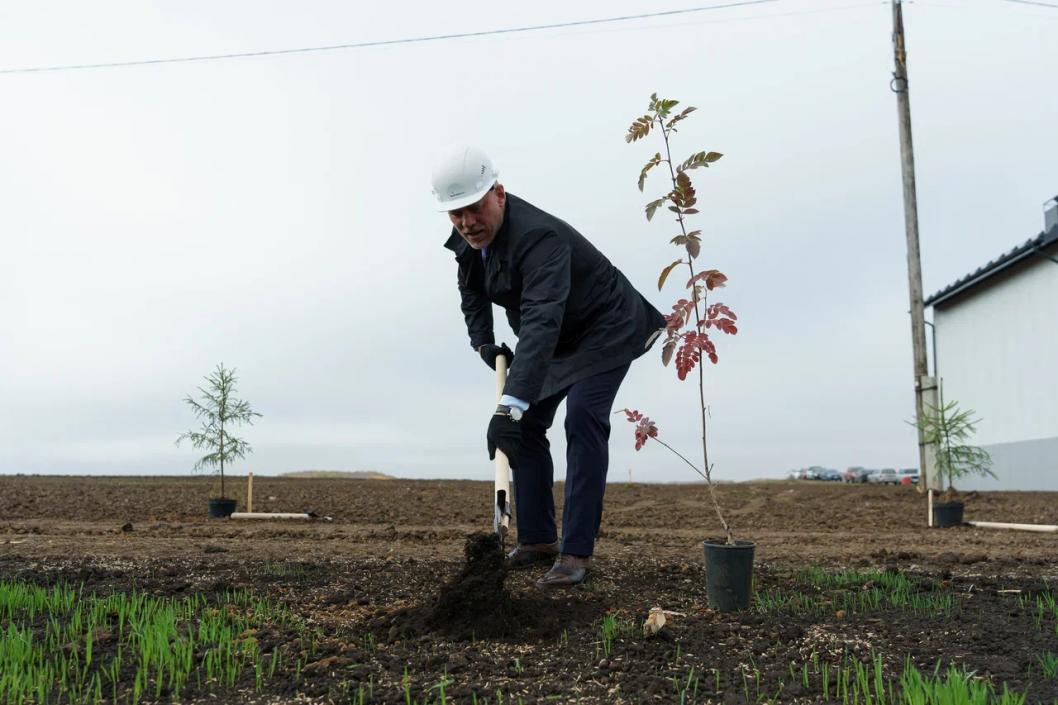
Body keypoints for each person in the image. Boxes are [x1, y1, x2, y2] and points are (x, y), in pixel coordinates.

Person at [431, 145, 664, 588]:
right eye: (456, 215)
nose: (467, 223)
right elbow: (473, 295)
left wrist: (509, 402)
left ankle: (576, 552)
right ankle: (538, 540)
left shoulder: (540, 238)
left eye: (475, 209)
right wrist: (482, 342)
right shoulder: (469, 241)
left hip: (605, 328)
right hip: (556, 335)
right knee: (528, 425)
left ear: (499, 193)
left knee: (582, 417)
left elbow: (541, 316)